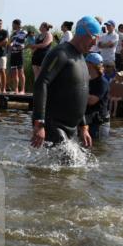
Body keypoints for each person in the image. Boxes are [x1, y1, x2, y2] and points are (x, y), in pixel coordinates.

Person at [30, 16, 101, 149]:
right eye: (94, 38)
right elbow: (41, 83)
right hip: (53, 124)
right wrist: (39, 123)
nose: (95, 43)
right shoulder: (61, 53)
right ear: (83, 33)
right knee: (69, 166)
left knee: (74, 167)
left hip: (71, 128)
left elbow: (82, 94)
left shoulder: (81, 59)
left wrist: (84, 127)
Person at [8, 19, 27, 93]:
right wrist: (10, 45)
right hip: (13, 54)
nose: (12, 26)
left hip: (19, 54)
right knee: (14, 72)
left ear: (17, 25)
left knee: (21, 72)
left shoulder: (24, 32)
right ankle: (16, 89)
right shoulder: (13, 33)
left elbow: (29, 40)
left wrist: (23, 46)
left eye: (13, 24)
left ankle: (22, 89)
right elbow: (10, 42)